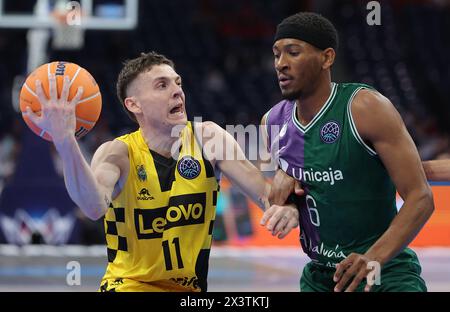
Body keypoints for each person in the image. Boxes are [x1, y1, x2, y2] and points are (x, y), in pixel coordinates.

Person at [24, 52, 299, 292]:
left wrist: (287, 207)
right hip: (128, 286)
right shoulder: (118, 153)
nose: (177, 91)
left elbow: (267, 196)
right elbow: (92, 206)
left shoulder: (209, 139)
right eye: (162, 85)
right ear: (134, 105)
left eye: (178, 83)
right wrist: (64, 140)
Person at [259, 12, 434, 292]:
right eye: (276, 54)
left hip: (385, 271)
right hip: (320, 277)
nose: (281, 64)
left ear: (327, 58)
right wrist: (288, 199)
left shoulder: (365, 107)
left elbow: (421, 197)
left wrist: (372, 259)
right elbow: (290, 193)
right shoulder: (272, 122)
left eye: (293, 53)